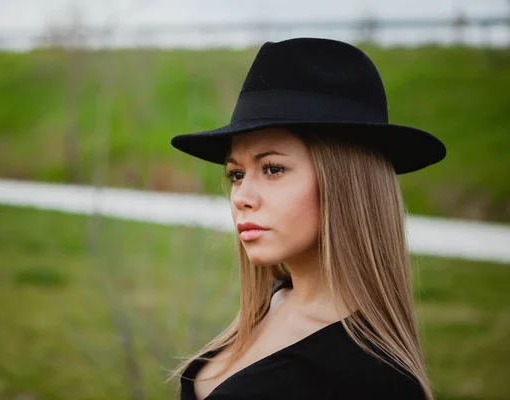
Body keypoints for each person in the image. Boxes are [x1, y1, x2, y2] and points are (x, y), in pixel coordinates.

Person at [168, 37, 446, 400]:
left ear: (345, 184)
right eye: (236, 174)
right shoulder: (276, 302)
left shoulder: (373, 381)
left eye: (272, 169)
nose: (241, 198)